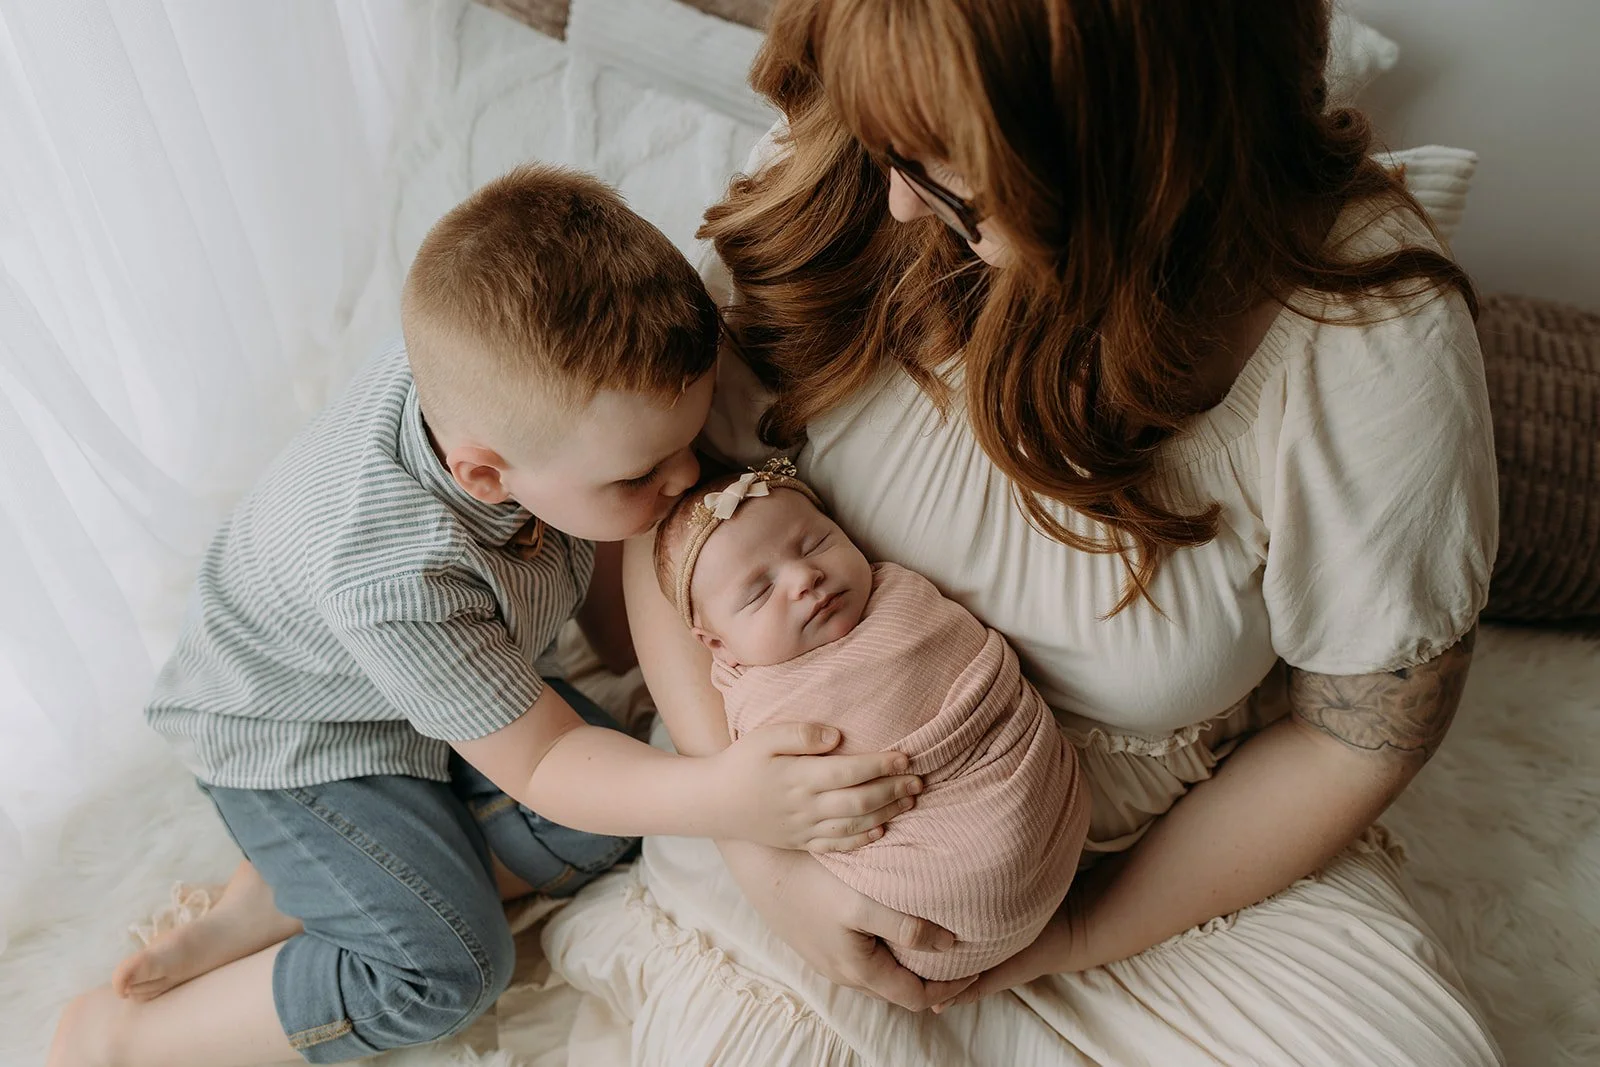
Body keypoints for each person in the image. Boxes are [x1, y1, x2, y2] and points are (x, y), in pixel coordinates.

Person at [610, 0, 1504, 1061]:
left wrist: (1076, 930)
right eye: (894, 152)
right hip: (802, 826)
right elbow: (664, 507)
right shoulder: (869, 159)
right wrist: (770, 857)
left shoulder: (1364, 341)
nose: (899, 202)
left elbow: (1356, 738)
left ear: (1121, 159)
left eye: (949, 177)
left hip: (1152, 866)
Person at [46, 165, 923, 1067]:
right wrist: (730, 799)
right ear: (486, 478)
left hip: (418, 696)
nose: (680, 482)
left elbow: (607, 628)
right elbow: (542, 757)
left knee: (619, 806)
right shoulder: (397, 575)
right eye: (636, 479)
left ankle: (312, 880)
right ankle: (128, 1036)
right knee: (452, 966)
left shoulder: (513, 389)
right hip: (297, 740)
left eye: (684, 446)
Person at [654, 460, 1090, 980]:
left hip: (1044, 811)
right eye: (758, 593)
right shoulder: (755, 696)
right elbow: (776, 796)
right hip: (931, 901)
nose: (802, 576)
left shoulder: (900, 594)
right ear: (718, 645)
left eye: (815, 543)